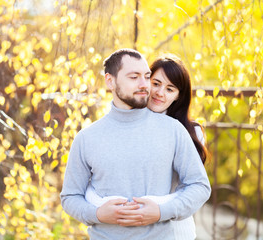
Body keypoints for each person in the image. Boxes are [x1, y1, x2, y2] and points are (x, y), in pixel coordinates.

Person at [60, 48, 211, 240]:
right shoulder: (86, 138)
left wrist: (160, 212)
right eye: (134, 77)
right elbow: (70, 197)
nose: (145, 85)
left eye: (146, 76)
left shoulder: (175, 130)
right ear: (110, 81)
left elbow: (199, 186)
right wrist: (97, 214)